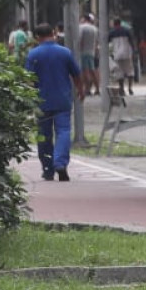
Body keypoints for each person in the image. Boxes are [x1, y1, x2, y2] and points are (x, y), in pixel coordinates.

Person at [24, 22, 82, 181]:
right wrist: (81, 90)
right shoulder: (65, 52)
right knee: (63, 131)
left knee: (44, 135)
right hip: (62, 100)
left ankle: (48, 169)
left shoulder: (33, 54)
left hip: (41, 102)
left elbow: (27, 79)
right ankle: (60, 163)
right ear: (53, 33)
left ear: (37, 37)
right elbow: (76, 74)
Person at [106, 16, 135, 99]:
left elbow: (107, 43)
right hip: (127, 53)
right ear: (120, 23)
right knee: (130, 71)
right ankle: (130, 88)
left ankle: (122, 89)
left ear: (114, 24)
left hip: (117, 54)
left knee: (119, 72)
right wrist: (134, 51)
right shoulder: (127, 31)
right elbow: (132, 41)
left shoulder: (111, 32)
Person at [75, 13, 100, 97]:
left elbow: (80, 39)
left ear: (84, 19)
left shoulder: (81, 27)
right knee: (93, 71)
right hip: (92, 52)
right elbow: (97, 42)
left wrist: (79, 50)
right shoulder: (94, 28)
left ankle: (87, 89)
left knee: (85, 72)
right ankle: (97, 89)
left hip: (83, 52)